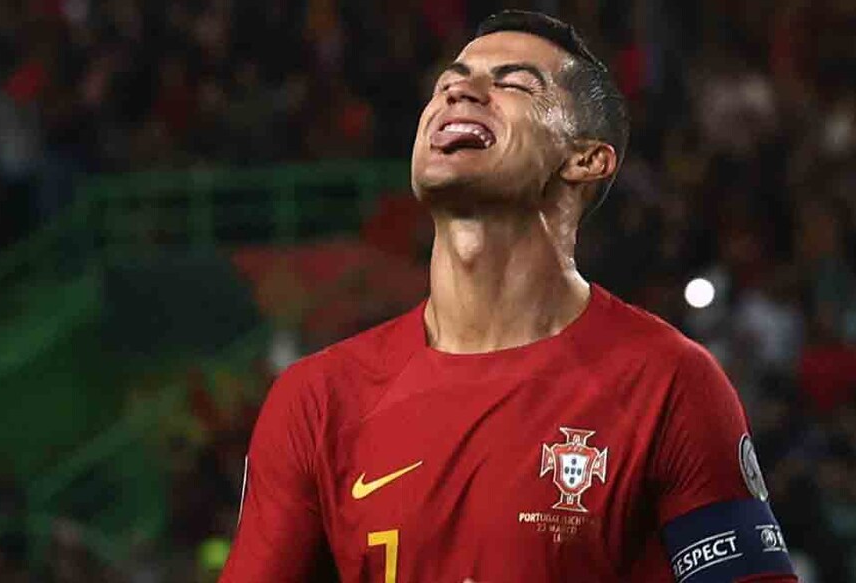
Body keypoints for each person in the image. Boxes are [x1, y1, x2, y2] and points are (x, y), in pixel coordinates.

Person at [220, 10, 796, 582]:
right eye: (449, 82)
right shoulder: (316, 402)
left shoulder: (668, 384)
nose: (459, 92)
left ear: (586, 159)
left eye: (512, 83)